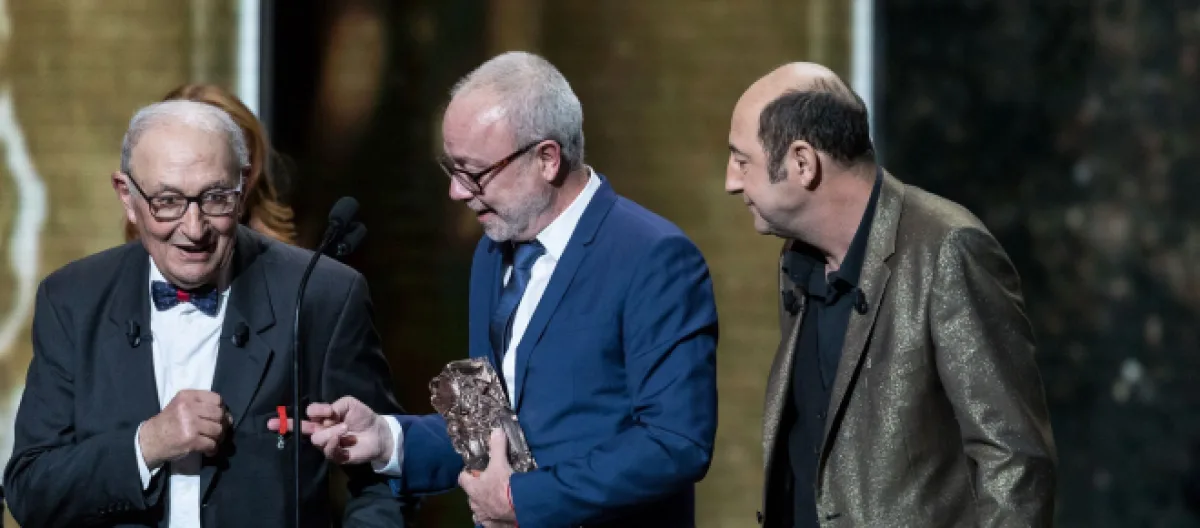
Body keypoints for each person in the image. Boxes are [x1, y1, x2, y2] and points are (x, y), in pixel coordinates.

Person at [278, 51, 719, 527]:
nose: (457, 191)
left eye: (473, 172)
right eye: (451, 169)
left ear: (547, 159)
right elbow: (492, 429)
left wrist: (522, 500)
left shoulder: (652, 257)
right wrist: (389, 440)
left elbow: (674, 442)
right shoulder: (492, 252)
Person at [2, 100, 407, 527]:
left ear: (243, 187)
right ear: (127, 196)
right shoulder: (72, 300)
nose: (194, 229)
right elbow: (31, 492)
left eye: (216, 198)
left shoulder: (321, 296)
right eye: (168, 201)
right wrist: (146, 445)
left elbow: (384, 474)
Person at [725, 63, 1057, 527]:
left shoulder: (948, 250)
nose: (731, 182)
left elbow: (1014, 460)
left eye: (742, 161)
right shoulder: (796, 262)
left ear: (802, 163)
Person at [123, 83, 298, 246]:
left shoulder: (288, 263)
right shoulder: (122, 263)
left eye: (214, 194)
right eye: (170, 198)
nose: (194, 229)